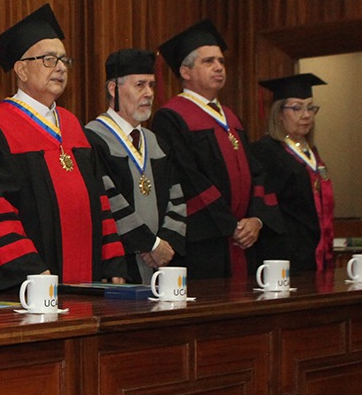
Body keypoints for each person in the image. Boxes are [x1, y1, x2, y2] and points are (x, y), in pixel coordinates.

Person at [0, 4, 129, 293]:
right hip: (30, 286)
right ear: (21, 69)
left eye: (64, 60)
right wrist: (31, 270)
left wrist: (112, 261)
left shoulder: (73, 125)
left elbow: (100, 199)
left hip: (88, 278)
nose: (61, 67)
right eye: (49, 59)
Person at [149, 19, 279, 281]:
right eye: (208, 61)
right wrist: (231, 225)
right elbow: (186, 178)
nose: (219, 67)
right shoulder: (172, 116)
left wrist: (256, 219)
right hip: (203, 244)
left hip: (244, 240)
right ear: (185, 72)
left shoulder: (231, 117)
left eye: (221, 61)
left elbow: (257, 171)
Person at [85, 48, 188, 285]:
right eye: (140, 85)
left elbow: (177, 198)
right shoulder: (92, 139)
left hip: (161, 266)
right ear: (114, 89)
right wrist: (150, 244)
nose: (149, 93)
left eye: (151, 85)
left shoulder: (157, 143)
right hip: (119, 265)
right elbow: (107, 201)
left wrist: (165, 244)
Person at [249, 73, 335, 273]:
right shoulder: (265, 151)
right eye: (297, 108)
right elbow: (264, 207)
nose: (306, 115)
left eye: (311, 108)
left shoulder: (311, 151)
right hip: (285, 256)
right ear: (279, 113)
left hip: (315, 250)